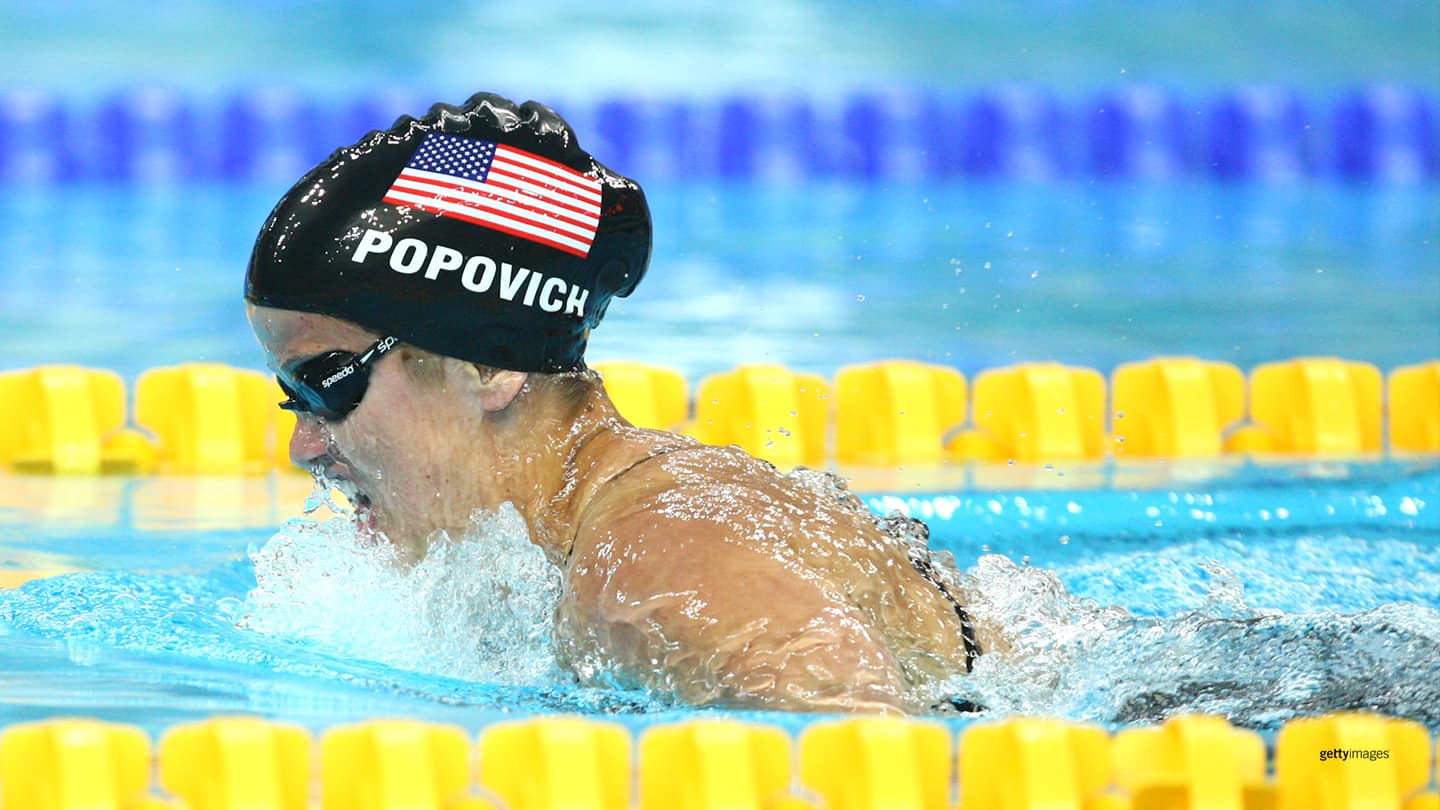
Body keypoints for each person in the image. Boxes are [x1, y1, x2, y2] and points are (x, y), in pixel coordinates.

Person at [246, 91, 992, 713]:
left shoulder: (652, 569)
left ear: (484, 366)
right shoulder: (600, 526)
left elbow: (873, 761)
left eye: (327, 384)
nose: (304, 445)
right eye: (293, 397)